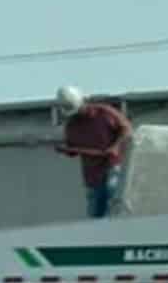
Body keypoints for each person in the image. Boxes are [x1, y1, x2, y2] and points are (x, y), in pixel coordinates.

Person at [54, 85, 132, 218]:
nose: (77, 114)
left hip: (112, 167)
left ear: (84, 102)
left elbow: (126, 130)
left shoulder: (105, 113)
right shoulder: (72, 125)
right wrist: (65, 150)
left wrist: (115, 146)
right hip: (92, 177)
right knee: (96, 214)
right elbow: (73, 150)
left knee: (113, 198)